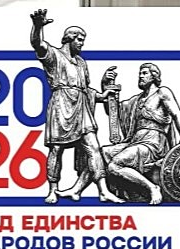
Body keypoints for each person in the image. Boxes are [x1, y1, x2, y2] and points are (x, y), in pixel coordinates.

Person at [67, 63, 180, 206]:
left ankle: (152, 188)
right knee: (100, 153)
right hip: (135, 141)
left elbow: (176, 114)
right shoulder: (136, 100)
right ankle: (76, 190)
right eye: (140, 73)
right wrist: (105, 85)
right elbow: (113, 111)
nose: (140, 76)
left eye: (144, 73)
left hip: (153, 143)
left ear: (154, 76)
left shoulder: (162, 92)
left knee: (115, 166)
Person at [29, 10, 121, 204]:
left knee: (94, 148)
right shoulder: (54, 55)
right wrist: (37, 26)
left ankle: (103, 190)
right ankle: (53, 189)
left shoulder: (81, 63)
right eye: (79, 39)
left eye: (83, 40)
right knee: (56, 149)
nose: (81, 43)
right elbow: (37, 44)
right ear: (69, 38)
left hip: (82, 109)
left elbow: (86, 90)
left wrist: (102, 95)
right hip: (61, 106)